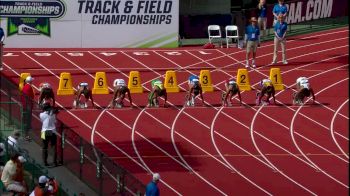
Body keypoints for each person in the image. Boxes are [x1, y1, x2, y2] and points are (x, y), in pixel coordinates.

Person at [22, 76, 35, 140]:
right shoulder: (28, 87)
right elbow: (28, 96)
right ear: (30, 81)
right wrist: (29, 104)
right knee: (28, 117)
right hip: (28, 105)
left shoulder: (26, 86)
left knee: (27, 117)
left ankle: (27, 127)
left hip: (26, 104)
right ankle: (27, 130)